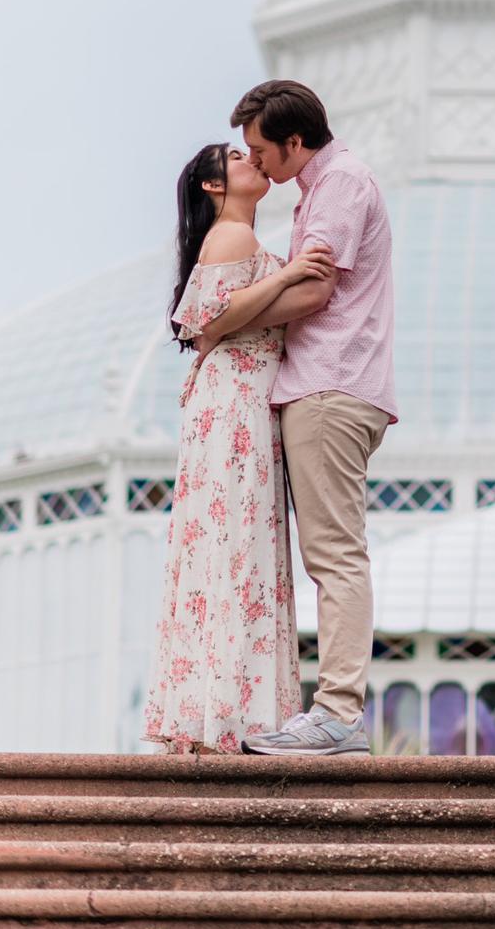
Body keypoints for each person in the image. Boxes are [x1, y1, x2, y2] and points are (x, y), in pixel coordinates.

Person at [224, 80, 398, 758]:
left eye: (261, 149)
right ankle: (333, 712)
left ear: (294, 141)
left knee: (334, 555)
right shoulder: (324, 185)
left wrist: (227, 323)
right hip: (330, 386)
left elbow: (317, 288)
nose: (255, 161)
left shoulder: (341, 183)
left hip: (331, 384)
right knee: (329, 552)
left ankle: (337, 713)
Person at [143, 144, 333, 754]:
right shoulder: (232, 236)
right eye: (233, 156)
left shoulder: (237, 238)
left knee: (231, 547)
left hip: (239, 402)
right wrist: (288, 274)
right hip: (234, 405)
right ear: (212, 185)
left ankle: (217, 713)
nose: (250, 159)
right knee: (236, 546)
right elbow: (211, 321)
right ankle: (232, 719)